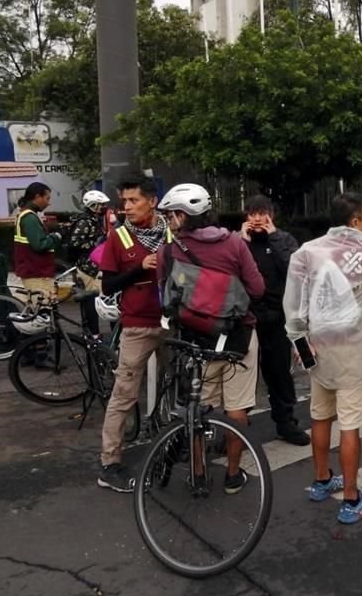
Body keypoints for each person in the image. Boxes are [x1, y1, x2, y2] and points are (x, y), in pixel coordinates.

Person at [284, 192, 362, 524]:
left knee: (319, 417)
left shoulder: (306, 252)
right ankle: (351, 500)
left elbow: (293, 306)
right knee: (350, 425)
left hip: (318, 348)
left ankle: (321, 480)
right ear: (357, 220)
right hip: (354, 351)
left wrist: (300, 345)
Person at [158, 184, 267, 493]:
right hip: (238, 336)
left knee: (197, 409)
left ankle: (198, 473)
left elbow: (166, 298)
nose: (168, 221)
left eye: (170, 216)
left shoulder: (168, 251)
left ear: (182, 216)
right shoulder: (234, 244)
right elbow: (257, 289)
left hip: (196, 341)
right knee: (237, 409)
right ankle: (233, 475)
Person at [96, 178, 172, 492]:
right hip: (137, 326)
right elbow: (108, 286)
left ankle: (172, 439)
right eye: (124, 202)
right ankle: (109, 463)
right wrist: (141, 267)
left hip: (171, 323)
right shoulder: (119, 237)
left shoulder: (172, 231)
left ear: (152, 202)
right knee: (124, 392)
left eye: (133, 200)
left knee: (175, 386)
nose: (126, 207)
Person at [239, 195, 309, 446]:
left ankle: (286, 422)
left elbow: (295, 270)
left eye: (262, 213)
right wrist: (243, 243)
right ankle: (235, 426)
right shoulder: (238, 243)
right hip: (246, 319)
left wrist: (275, 237)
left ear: (271, 215)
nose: (257, 218)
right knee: (242, 374)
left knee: (279, 373)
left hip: (278, 317)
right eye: (252, 213)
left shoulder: (285, 239)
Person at [67, 190, 111, 336]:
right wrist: (96, 244)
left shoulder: (94, 220)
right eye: (101, 205)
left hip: (93, 266)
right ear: (92, 205)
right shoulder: (85, 221)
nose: (103, 208)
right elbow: (75, 243)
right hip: (87, 268)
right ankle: (93, 334)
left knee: (95, 299)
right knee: (91, 300)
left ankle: (93, 334)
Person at [13, 182, 61, 301]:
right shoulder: (30, 218)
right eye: (47, 198)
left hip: (33, 270)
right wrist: (55, 237)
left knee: (37, 312)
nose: (48, 203)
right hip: (37, 273)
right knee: (44, 311)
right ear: (37, 196)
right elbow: (39, 245)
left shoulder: (25, 214)